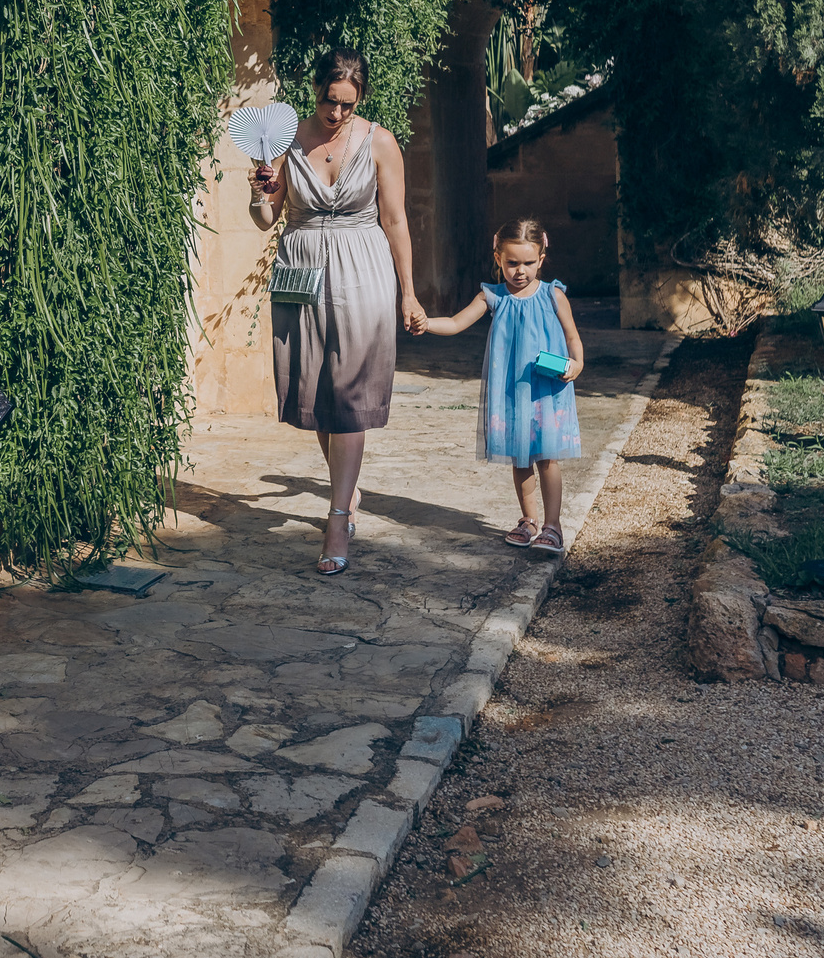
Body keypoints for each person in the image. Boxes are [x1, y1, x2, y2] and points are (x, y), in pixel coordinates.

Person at [249, 47, 422, 575]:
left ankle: (338, 517)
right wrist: (259, 191)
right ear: (317, 91)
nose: (337, 114)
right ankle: (347, 490)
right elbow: (263, 218)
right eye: (330, 101)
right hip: (300, 271)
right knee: (319, 392)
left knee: (348, 393)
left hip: (362, 271)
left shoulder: (380, 143)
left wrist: (408, 292)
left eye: (348, 105)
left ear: (360, 99)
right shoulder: (284, 141)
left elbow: (395, 221)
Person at [418, 219, 587, 554]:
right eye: (512, 263)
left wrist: (577, 363)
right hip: (511, 391)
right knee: (520, 459)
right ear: (498, 258)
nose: (519, 271)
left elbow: (572, 335)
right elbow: (456, 323)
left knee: (548, 458)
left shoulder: (553, 295)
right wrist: (426, 324)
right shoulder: (493, 296)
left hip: (547, 390)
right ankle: (529, 520)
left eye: (527, 263)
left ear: (541, 258)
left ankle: (553, 527)